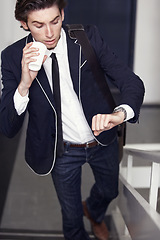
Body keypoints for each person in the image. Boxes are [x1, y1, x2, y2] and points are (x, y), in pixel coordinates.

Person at [0, 0, 145, 239]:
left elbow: (130, 81)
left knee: (109, 191)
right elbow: (8, 126)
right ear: (24, 24)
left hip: (102, 140)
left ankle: (95, 212)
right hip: (61, 150)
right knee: (71, 217)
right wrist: (25, 83)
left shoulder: (87, 37)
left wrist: (119, 114)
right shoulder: (13, 57)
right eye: (38, 25)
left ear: (62, 14)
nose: (49, 33)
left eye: (55, 21)